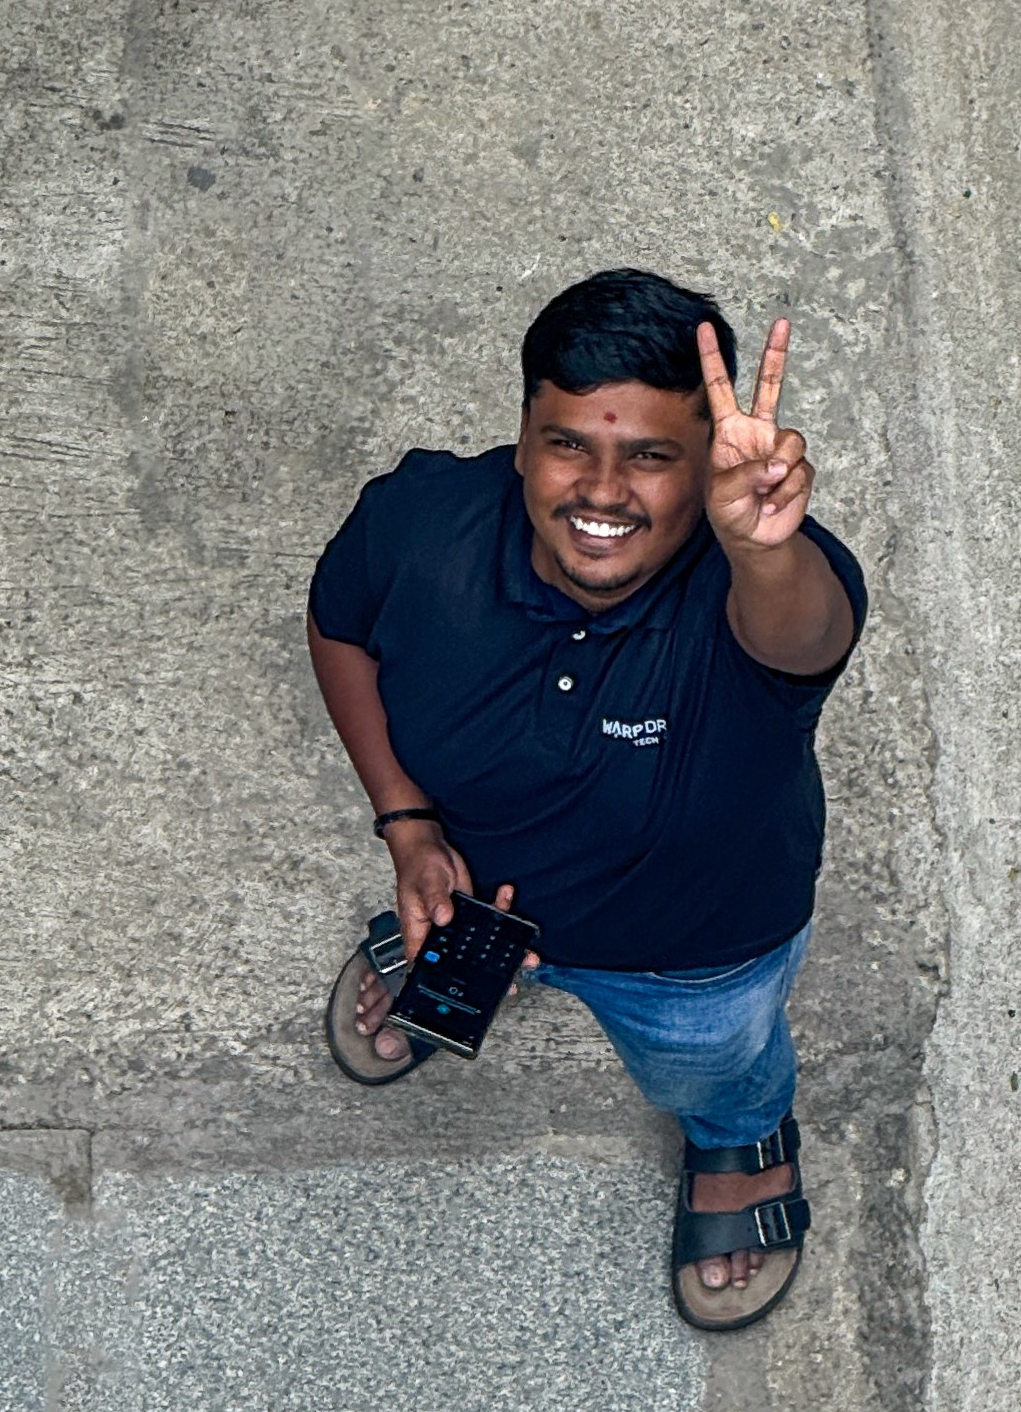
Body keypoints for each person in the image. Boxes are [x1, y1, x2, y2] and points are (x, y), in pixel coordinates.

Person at [305, 267, 865, 1331]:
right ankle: (479, 972)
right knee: (454, 945)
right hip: (471, 900)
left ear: (708, 462)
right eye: (569, 444)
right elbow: (339, 627)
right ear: (522, 438)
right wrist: (407, 824)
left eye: (652, 456)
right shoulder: (420, 521)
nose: (602, 492)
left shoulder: (763, 585)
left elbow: (804, 639)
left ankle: (738, 1137)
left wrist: (763, 549)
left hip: (688, 955)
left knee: (715, 1066)